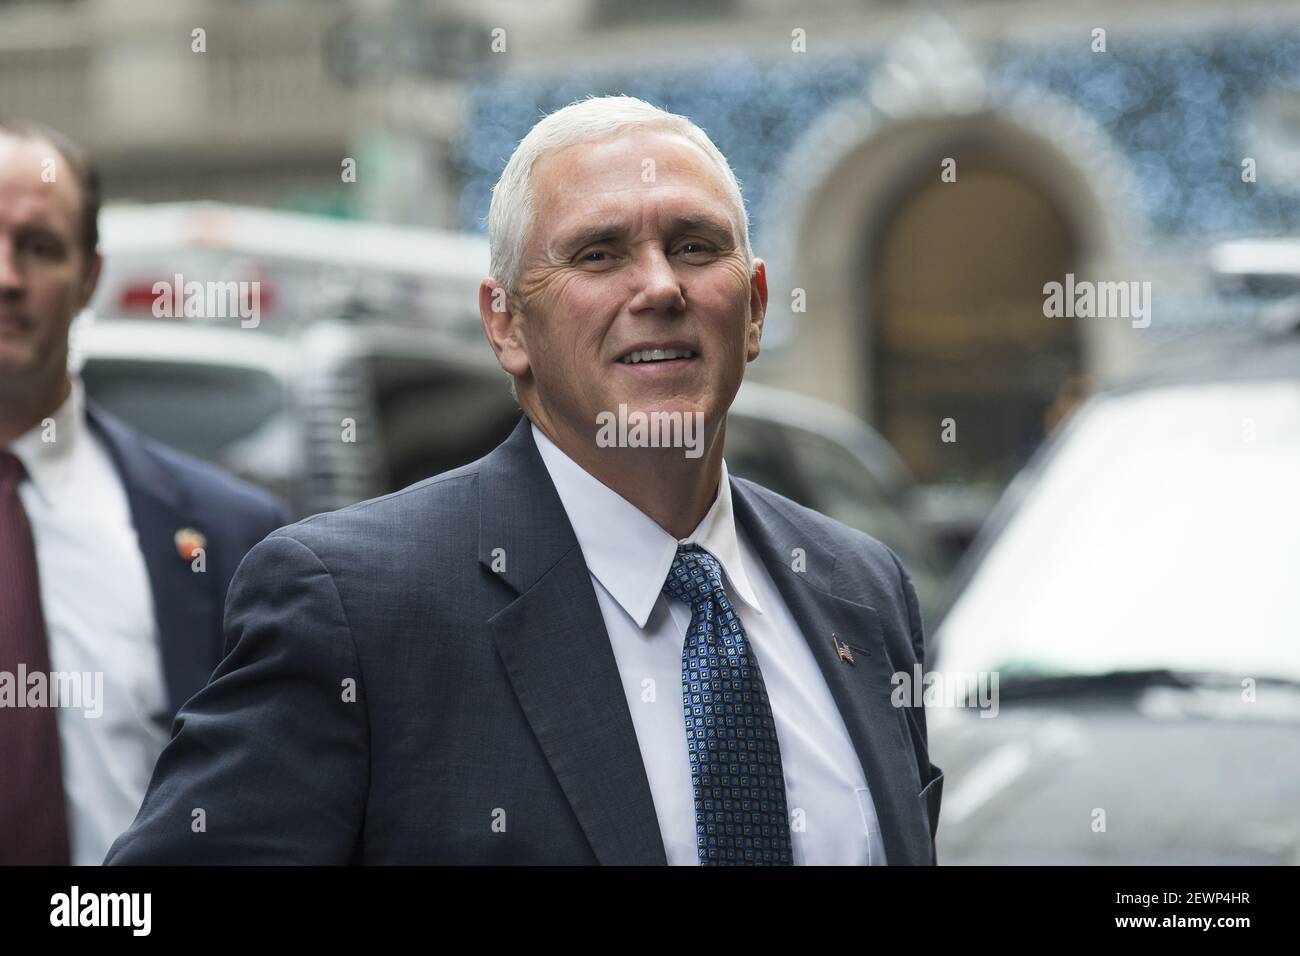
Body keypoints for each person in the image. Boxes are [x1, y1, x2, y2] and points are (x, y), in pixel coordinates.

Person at [106, 96, 942, 865]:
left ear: (755, 307)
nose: (659, 286)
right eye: (598, 253)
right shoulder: (353, 608)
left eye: (694, 246)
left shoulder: (858, 590)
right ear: (506, 324)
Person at [0, 120, 290, 865]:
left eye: (38, 247)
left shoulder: (225, 536)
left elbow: (272, 809)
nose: (6, 277)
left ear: (89, 276)